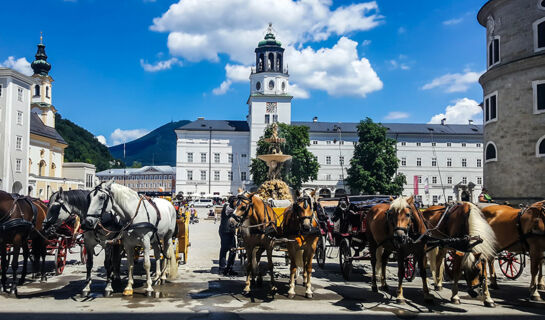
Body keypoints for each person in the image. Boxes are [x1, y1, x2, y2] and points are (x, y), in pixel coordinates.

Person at [218, 197, 237, 276]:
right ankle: (222, 269)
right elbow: (234, 212)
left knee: (233, 250)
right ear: (232, 202)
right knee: (225, 249)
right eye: (236, 202)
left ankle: (229, 268)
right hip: (225, 231)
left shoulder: (232, 208)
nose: (237, 203)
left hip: (230, 232)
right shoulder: (227, 207)